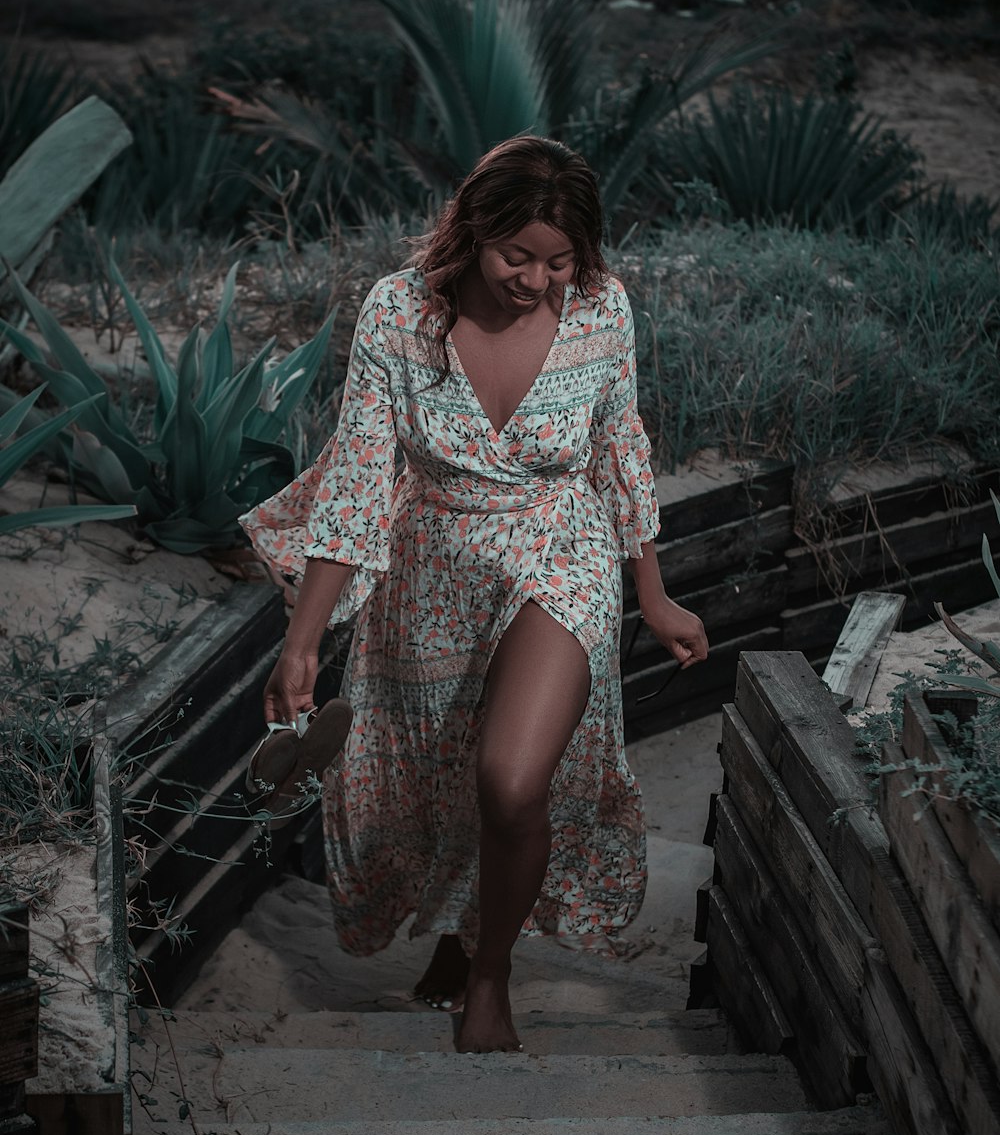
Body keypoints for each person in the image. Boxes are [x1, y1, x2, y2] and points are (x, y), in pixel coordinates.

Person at [239, 136, 708, 1055]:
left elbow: (621, 448)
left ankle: (489, 973)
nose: (538, 280)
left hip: (557, 552)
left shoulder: (603, 311)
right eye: (517, 256)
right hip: (433, 568)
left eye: (560, 260)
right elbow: (361, 484)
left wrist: (651, 591)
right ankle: (456, 941)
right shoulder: (399, 314)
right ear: (472, 232)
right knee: (447, 773)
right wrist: (302, 641)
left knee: (510, 776)